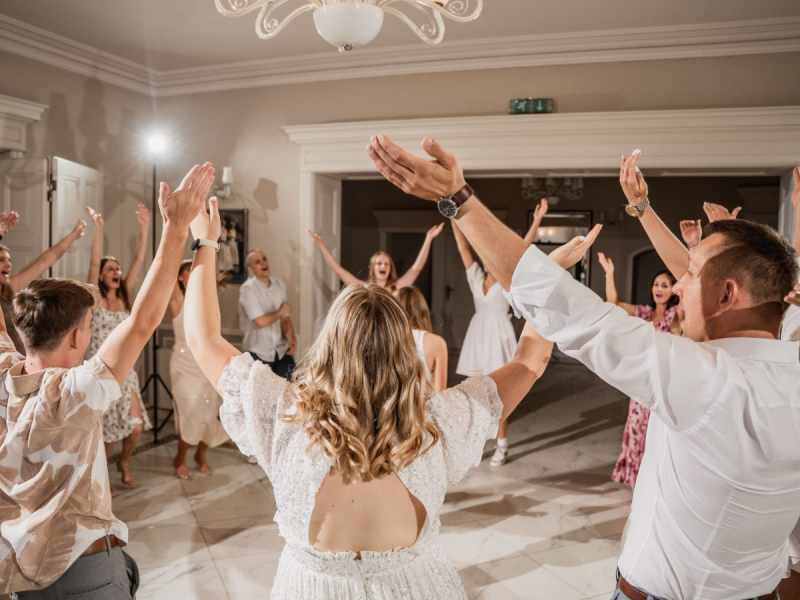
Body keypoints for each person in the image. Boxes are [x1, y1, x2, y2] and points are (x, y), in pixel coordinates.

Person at [367, 134, 800, 600]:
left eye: (689, 274)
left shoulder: (710, 382)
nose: (678, 286)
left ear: (728, 295)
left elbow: (573, 312)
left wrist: (459, 198)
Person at [181, 196, 606, 598]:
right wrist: (549, 277)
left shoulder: (285, 412)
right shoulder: (440, 422)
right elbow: (530, 361)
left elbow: (202, 339)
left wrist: (207, 242)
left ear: (330, 344)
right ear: (406, 350)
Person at [1, 162, 214, 599]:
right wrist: (178, 229)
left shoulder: (5, 369)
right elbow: (142, 323)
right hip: (82, 570)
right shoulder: (73, 392)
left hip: (19, 568)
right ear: (77, 336)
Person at [596, 254, 680, 489]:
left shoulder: (675, 315)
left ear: (674, 290)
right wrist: (609, 274)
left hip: (663, 384)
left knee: (657, 432)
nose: (659, 289)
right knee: (635, 428)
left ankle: (655, 481)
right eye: (656, 284)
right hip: (641, 382)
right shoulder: (644, 313)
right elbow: (613, 304)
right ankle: (635, 478)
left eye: (665, 285)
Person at [85, 204, 152, 488]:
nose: (116, 271)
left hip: (126, 372)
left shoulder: (124, 297)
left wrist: (145, 228)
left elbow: (138, 259)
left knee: (135, 427)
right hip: (99, 373)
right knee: (106, 433)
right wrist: (98, 232)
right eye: (109, 268)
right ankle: (97, 477)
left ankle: (124, 462)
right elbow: (92, 265)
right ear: (101, 276)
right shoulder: (95, 300)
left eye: (117, 268)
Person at [451, 220, 518, 466]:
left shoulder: (507, 280)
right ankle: (477, 445)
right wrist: (453, 217)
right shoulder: (476, 276)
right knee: (477, 396)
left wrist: (537, 221)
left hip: (498, 338)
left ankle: (502, 445)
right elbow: (462, 249)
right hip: (479, 338)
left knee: (498, 396)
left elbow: (521, 249)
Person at [168, 260, 230, 480]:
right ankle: (180, 459)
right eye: (188, 270)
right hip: (184, 366)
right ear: (180, 277)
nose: (193, 272)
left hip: (205, 365)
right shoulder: (177, 300)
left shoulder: (206, 301)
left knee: (208, 415)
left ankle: (200, 455)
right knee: (191, 413)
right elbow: (168, 270)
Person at [0, 214, 86, 351]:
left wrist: (72, 236)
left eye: (9, 260)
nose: (8, 264)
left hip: (19, 359)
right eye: (1, 260)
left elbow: (43, 262)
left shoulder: (10, 286)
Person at [308, 223, 444, 292]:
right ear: (372, 267)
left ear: (390, 268)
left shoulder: (397, 287)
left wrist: (429, 239)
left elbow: (416, 269)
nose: (383, 266)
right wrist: (322, 246)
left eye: (386, 264)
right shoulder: (364, 287)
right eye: (379, 263)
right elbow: (339, 271)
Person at [238, 249, 297, 380]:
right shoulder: (247, 289)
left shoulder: (279, 285)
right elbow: (260, 322)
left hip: (281, 351)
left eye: (264, 259)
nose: (263, 263)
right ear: (251, 269)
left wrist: (291, 338)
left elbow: (285, 319)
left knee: (294, 387)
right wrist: (281, 310)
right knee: (261, 392)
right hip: (258, 353)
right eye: (257, 262)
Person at [394, 286, 448, 391]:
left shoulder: (387, 339)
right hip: (424, 401)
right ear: (423, 310)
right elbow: (440, 394)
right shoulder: (437, 343)